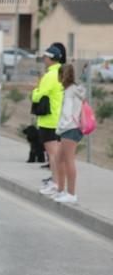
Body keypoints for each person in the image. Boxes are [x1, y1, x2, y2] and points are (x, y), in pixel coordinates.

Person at [34, 44, 66, 196]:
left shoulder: (50, 75)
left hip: (49, 119)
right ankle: (58, 183)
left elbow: (39, 95)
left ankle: (56, 184)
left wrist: (35, 91)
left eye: (45, 57)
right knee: (57, 153)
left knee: (52, 154)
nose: (44, 60)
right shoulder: (63, 72)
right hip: (59, 118)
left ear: (51, 59)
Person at [53, 64, 85, 203]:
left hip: (70, 129)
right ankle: (61, 190)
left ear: (62, 75)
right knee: (59, 159)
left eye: (59, 75)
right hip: (72, 128)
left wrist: (60, 128)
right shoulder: (73, 90)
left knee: (68, 160)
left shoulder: (70, 92)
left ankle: (71, 194)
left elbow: (67, 114)